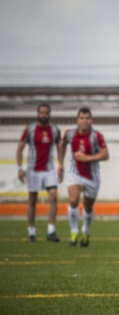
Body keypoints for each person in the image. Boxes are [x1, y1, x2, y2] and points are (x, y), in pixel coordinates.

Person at [58, 107, 109, 248]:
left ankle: (85, 231)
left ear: (91, 120)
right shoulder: (70, 134)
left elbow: (105, 155)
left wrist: (88, 158)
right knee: (73, 200)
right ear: (77, 120)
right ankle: (74, 232)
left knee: (88, 207)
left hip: (92, 176)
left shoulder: (96, 136)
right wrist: (61, 163)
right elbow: (62, 145)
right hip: (75, 172)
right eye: (82, 118)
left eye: (87, 118)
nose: (85, 121)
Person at [16, 104, 62, 242]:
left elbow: (60, 146)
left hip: (49, 169)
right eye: (42, 113)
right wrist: (19, 167)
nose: (44, 115)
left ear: (49, 114)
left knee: (53, 196)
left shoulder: (54, 129)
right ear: (38, 114)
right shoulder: (29, 129)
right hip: (33, 169)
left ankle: (51, 231)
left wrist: (61, 164)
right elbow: (19, 149)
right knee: (32, 200)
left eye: (46, 113)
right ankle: (31, 231)